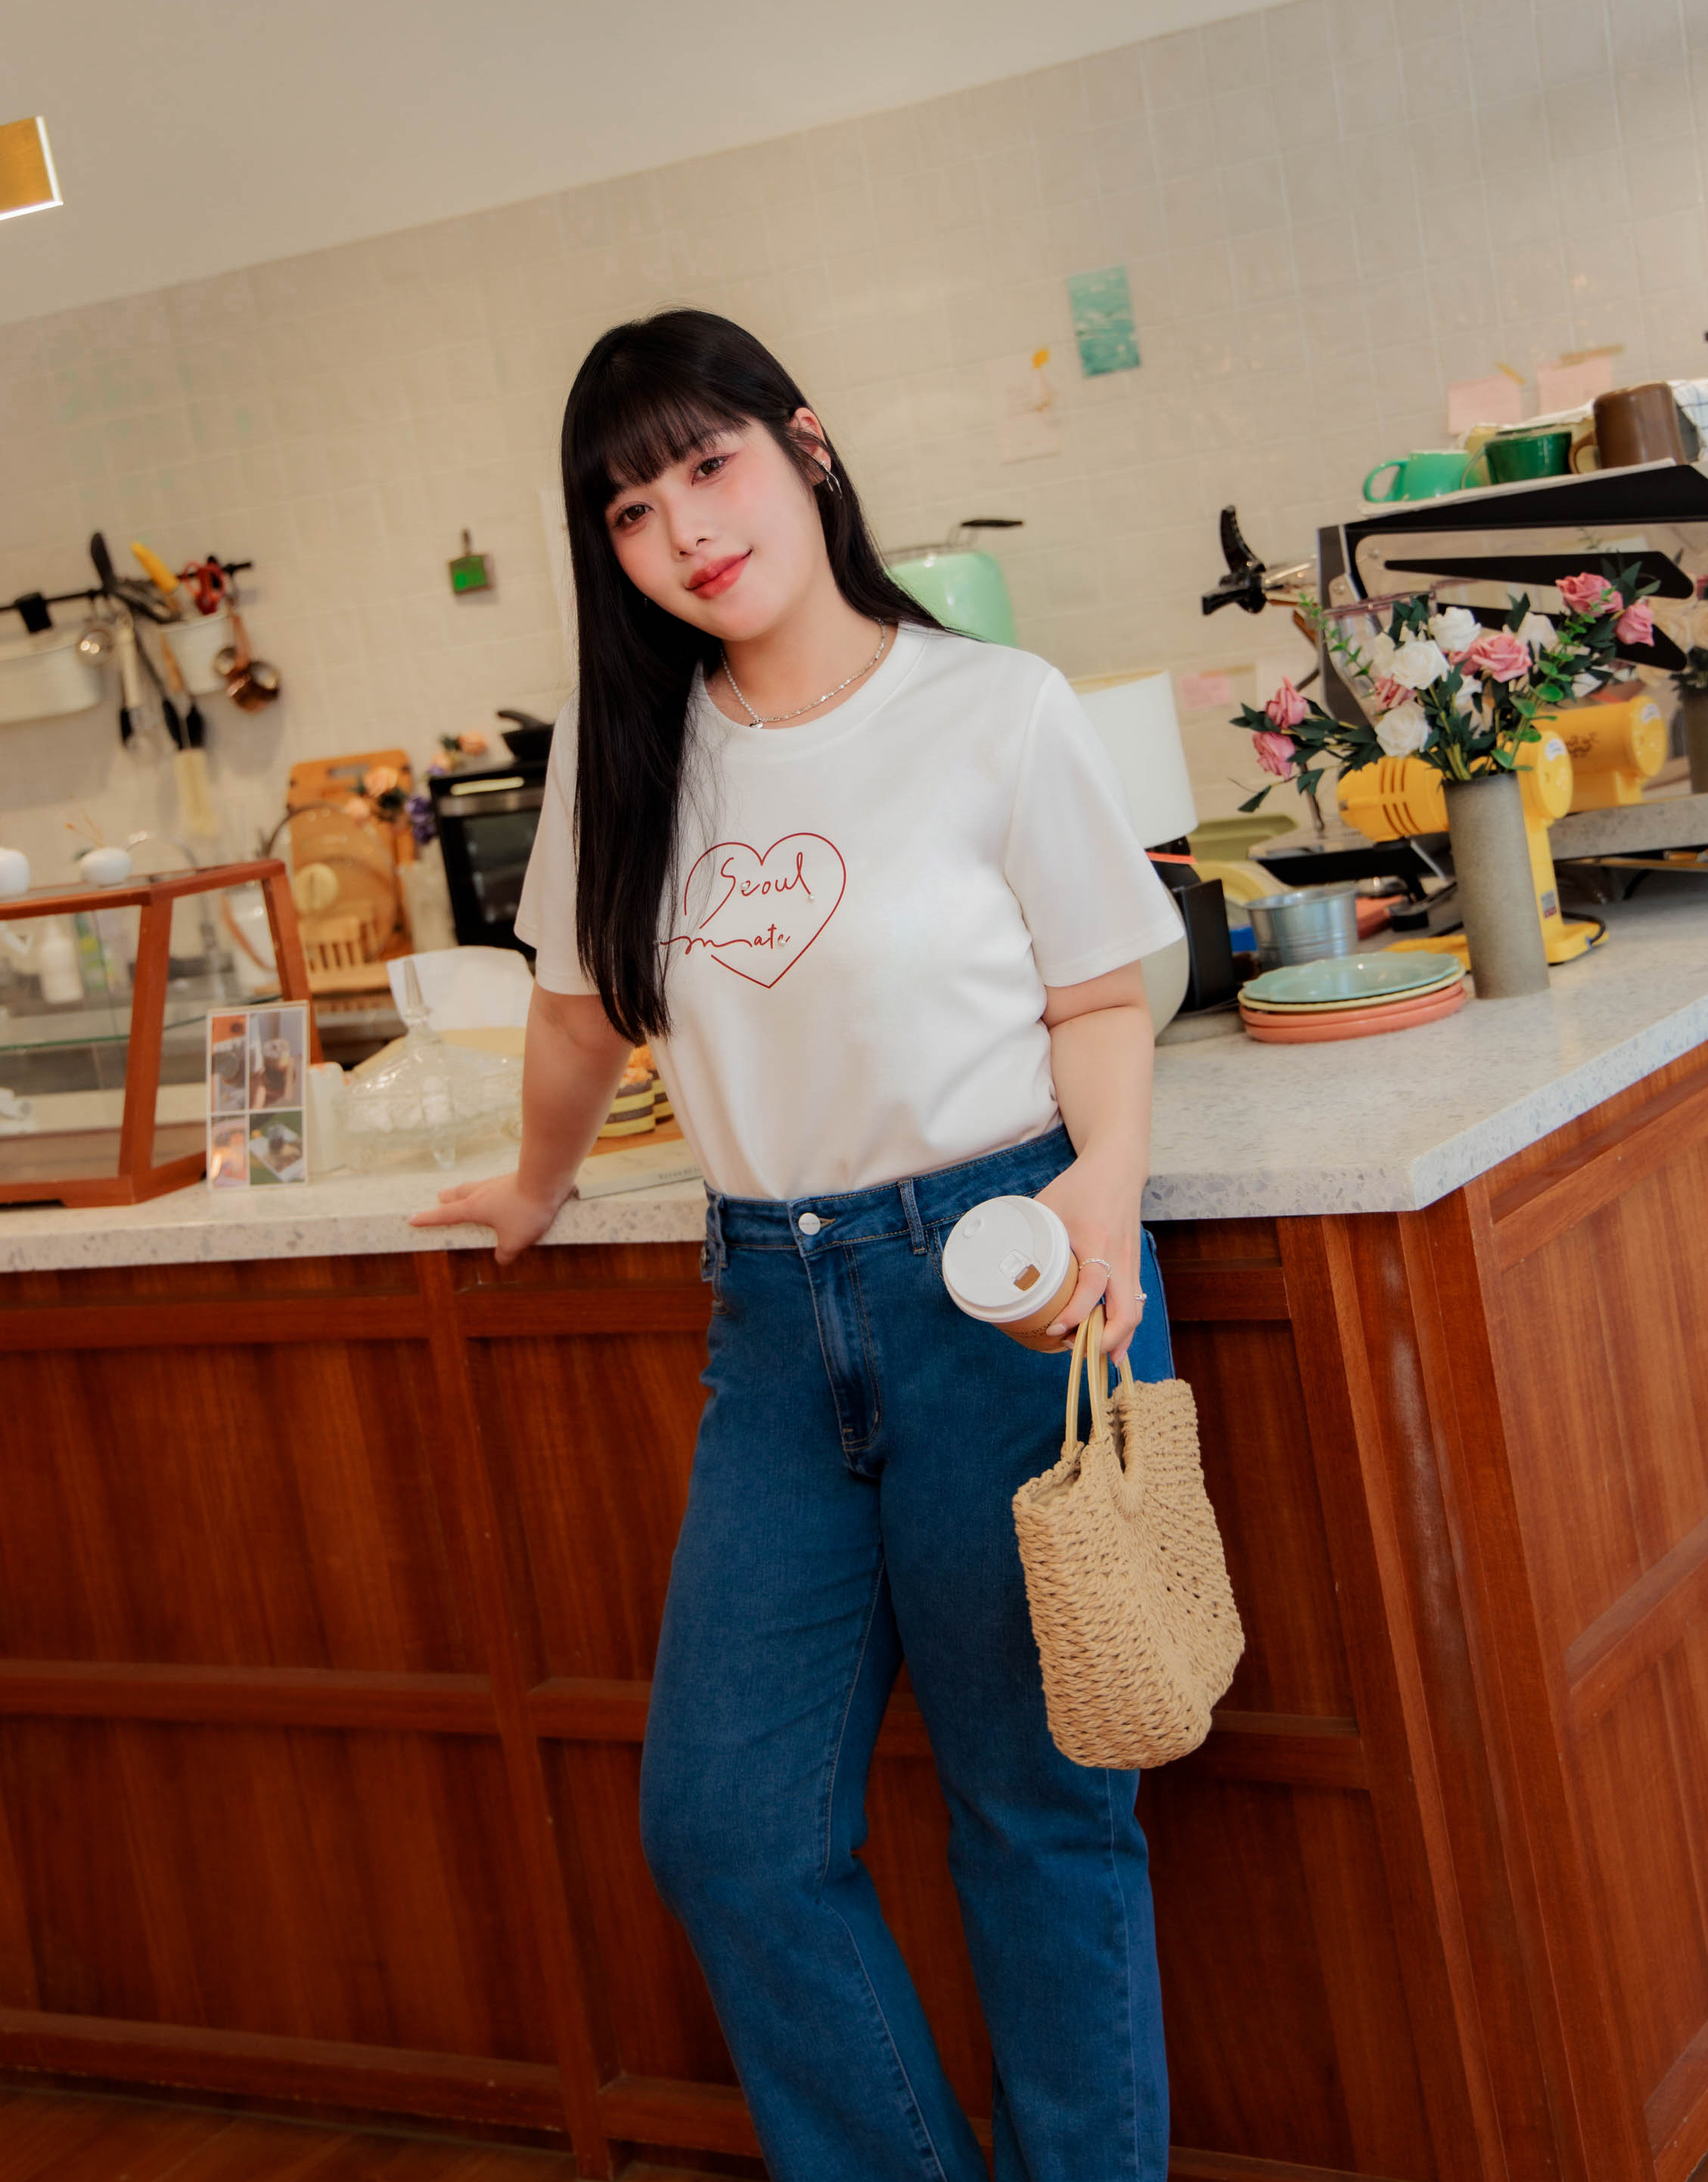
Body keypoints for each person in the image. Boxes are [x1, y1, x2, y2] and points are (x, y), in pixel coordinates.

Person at [411, 308, 1185, 2182]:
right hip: (769, 1315)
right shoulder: (630, 755)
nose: (683, 528)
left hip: (1006, 1285)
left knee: (1039, 1818)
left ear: (805, 448)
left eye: (709, 466)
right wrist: (533, 1183)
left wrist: (1105, 1182)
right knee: (727, 1832)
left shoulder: (992, 707)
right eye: (629, 508)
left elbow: (1099, 993)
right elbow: (578, 1015)